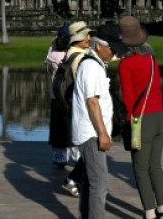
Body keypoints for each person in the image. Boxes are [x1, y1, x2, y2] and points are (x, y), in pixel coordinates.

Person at [72, 23, 128, 219]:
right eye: (111, 49)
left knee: (90, 181)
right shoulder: (91, 67)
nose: (114, 53)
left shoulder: (95, 65)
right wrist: (103, 133)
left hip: (91, 131)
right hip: (91, 133)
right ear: (98, 46)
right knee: (99, 183)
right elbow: (92, 102)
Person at [118, 16, 163, 219]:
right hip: (159, 116)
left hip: (141, 119)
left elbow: (129, 99)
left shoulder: (126, 64)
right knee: (155, 166)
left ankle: (149, 212)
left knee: (140, 168)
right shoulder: (151, 58)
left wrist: (131, 127)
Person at [61, 21, 94, 198]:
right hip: (86, 109)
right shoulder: (79, 58)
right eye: (85, 36)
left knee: (92, 148)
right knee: (92, 147)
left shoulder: (80, 54)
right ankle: (73, 179)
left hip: (83, 108)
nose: (89, 38)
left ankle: (76, 179)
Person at [45, 24, 75, 168]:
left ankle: (60, 157)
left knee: (59, 127)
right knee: (72, 125)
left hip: (56, 94)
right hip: (70, 94)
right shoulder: (68, 55)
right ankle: (76, 155)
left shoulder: (52, 52)